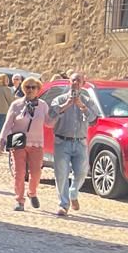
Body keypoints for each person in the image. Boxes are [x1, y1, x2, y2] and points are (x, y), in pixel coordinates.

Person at [49, 70, 100, 217]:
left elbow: (93, 120)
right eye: (73, 80)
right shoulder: (59, 99)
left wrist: (81, 106)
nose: (75, 83)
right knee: (61, 174)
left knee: (82, 172)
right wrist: (66, 105)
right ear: (69, 82)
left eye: (78, 81)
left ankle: (73, 192)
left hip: (80, 143)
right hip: (62, 141)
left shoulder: (88, 101)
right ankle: (63, 205)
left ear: (83, 84)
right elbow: (51, 115)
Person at [0, 76, 48, 211]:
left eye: (33, 87)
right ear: (23, 89)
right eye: (27, 87)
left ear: (38, 89)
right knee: (19, 172)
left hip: (36, 143)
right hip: (18, 142)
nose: (30, 90)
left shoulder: (43, 105)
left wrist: (60, 112)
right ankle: (19, 200)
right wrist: (1, 141)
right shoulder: (16, 104)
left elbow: (49, 122)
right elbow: (8, 123)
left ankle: (32, 192)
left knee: (36, 172)